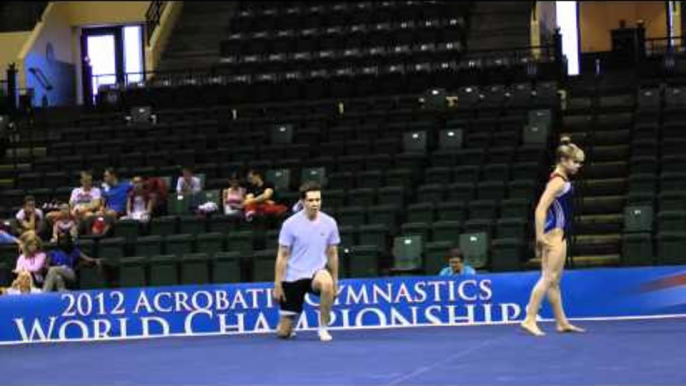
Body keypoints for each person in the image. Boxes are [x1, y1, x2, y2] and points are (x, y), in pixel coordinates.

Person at [520, 138, 586, 337]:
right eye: (575, 162)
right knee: (548, 278)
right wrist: (539, 236)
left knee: (554, 281)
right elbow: (541, 208)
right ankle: (530, 318)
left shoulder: (561, 179)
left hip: (558, 232)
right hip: (554, 234)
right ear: (564, 160)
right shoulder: (557, 181)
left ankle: (561, 322)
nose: (578, 166)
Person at [273, 182, 340, 342]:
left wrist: (335, 281)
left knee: (327, 283)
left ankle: (323, 328)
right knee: (283, 334)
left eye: (318, 200)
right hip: (293, 277)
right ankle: (289, 322)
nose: (315, 203)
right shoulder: (289, 224)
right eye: (311, 200)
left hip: (316, 273)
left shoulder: (330, 222)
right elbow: (282, 255)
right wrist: (278, 284)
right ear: (302, 202)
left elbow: (332, 253)